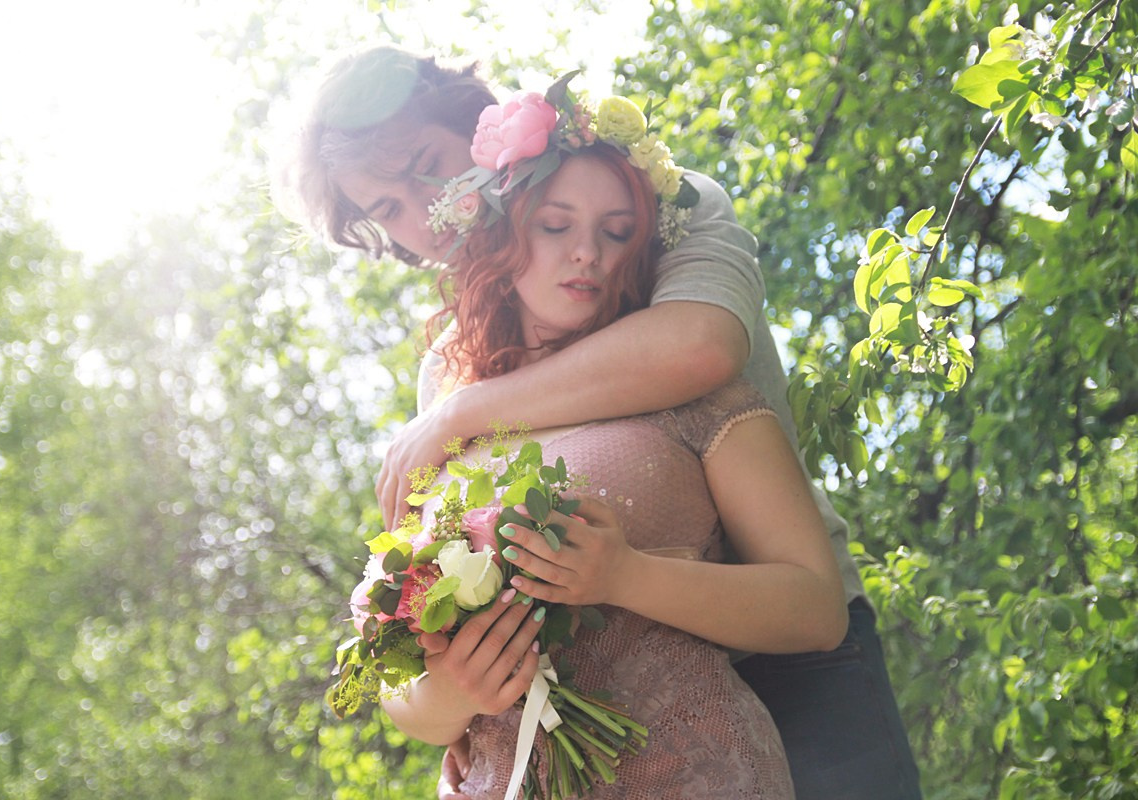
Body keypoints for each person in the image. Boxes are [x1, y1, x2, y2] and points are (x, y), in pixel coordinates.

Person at [280, 45, 922, 800]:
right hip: (581, 725)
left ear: (480, 130)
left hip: (786, 654)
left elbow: (699, 346)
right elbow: (441, 618)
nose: (421, 214)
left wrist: (465, 412)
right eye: (386, 210)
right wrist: (453, 697)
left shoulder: (659, 208)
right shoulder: (446, 367)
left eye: (425, 165)